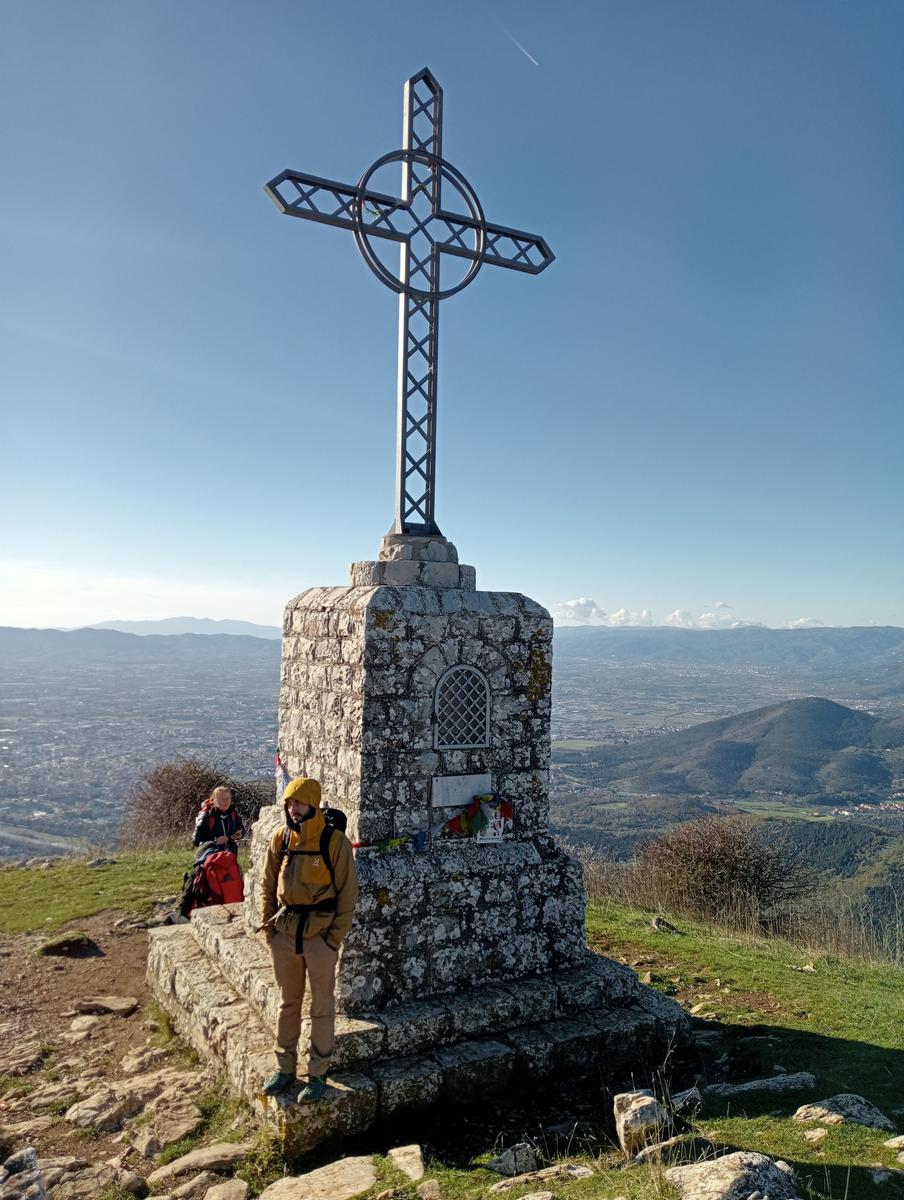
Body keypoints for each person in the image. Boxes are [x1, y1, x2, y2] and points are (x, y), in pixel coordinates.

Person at [258, 777, 358, 1103]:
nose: (292, 809)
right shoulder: (281, 838)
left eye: (298, 803)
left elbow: (347, 895)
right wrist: (269, 930)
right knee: (288, 1004)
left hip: (319, 939)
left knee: (321, 1007)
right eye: (289, 803)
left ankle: (317, 1074)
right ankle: (284, 1068)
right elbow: (267, 885)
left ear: (313, 803)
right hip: (285, 936)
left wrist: (333, 939)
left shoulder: (335, 843)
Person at [192, 785, 245, 855]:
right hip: (210, 857)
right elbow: (196, 839)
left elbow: (241, 828)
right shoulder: (207, 815)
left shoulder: (233, 813)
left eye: (228, 798)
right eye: (222, 799)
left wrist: (239, 834)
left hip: (230, 856)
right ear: (214, 800)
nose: (226, 801)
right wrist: (215, 841)